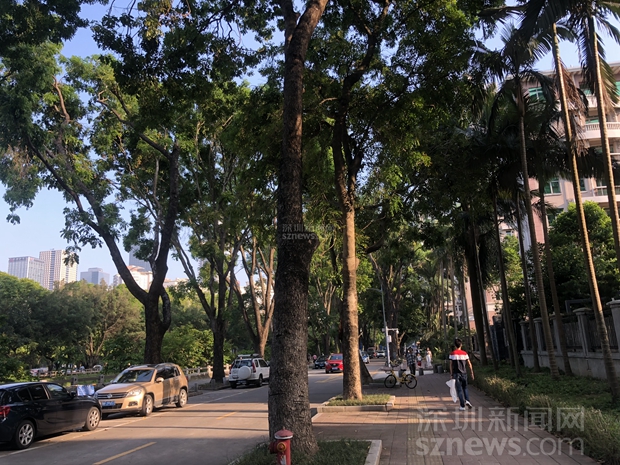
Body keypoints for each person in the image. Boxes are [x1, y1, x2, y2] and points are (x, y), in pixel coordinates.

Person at [449, 338, 474, 411]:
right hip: (464, 373)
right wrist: (472, 372)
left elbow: (451, 365)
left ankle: (462, 406)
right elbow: (469, 364)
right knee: (465, 388)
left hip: (456, 374)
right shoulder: (465, 353)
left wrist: (451, 374)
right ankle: (467, 400)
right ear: (461, 345)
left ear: (455, 345)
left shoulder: (452, 354)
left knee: (459, 390)